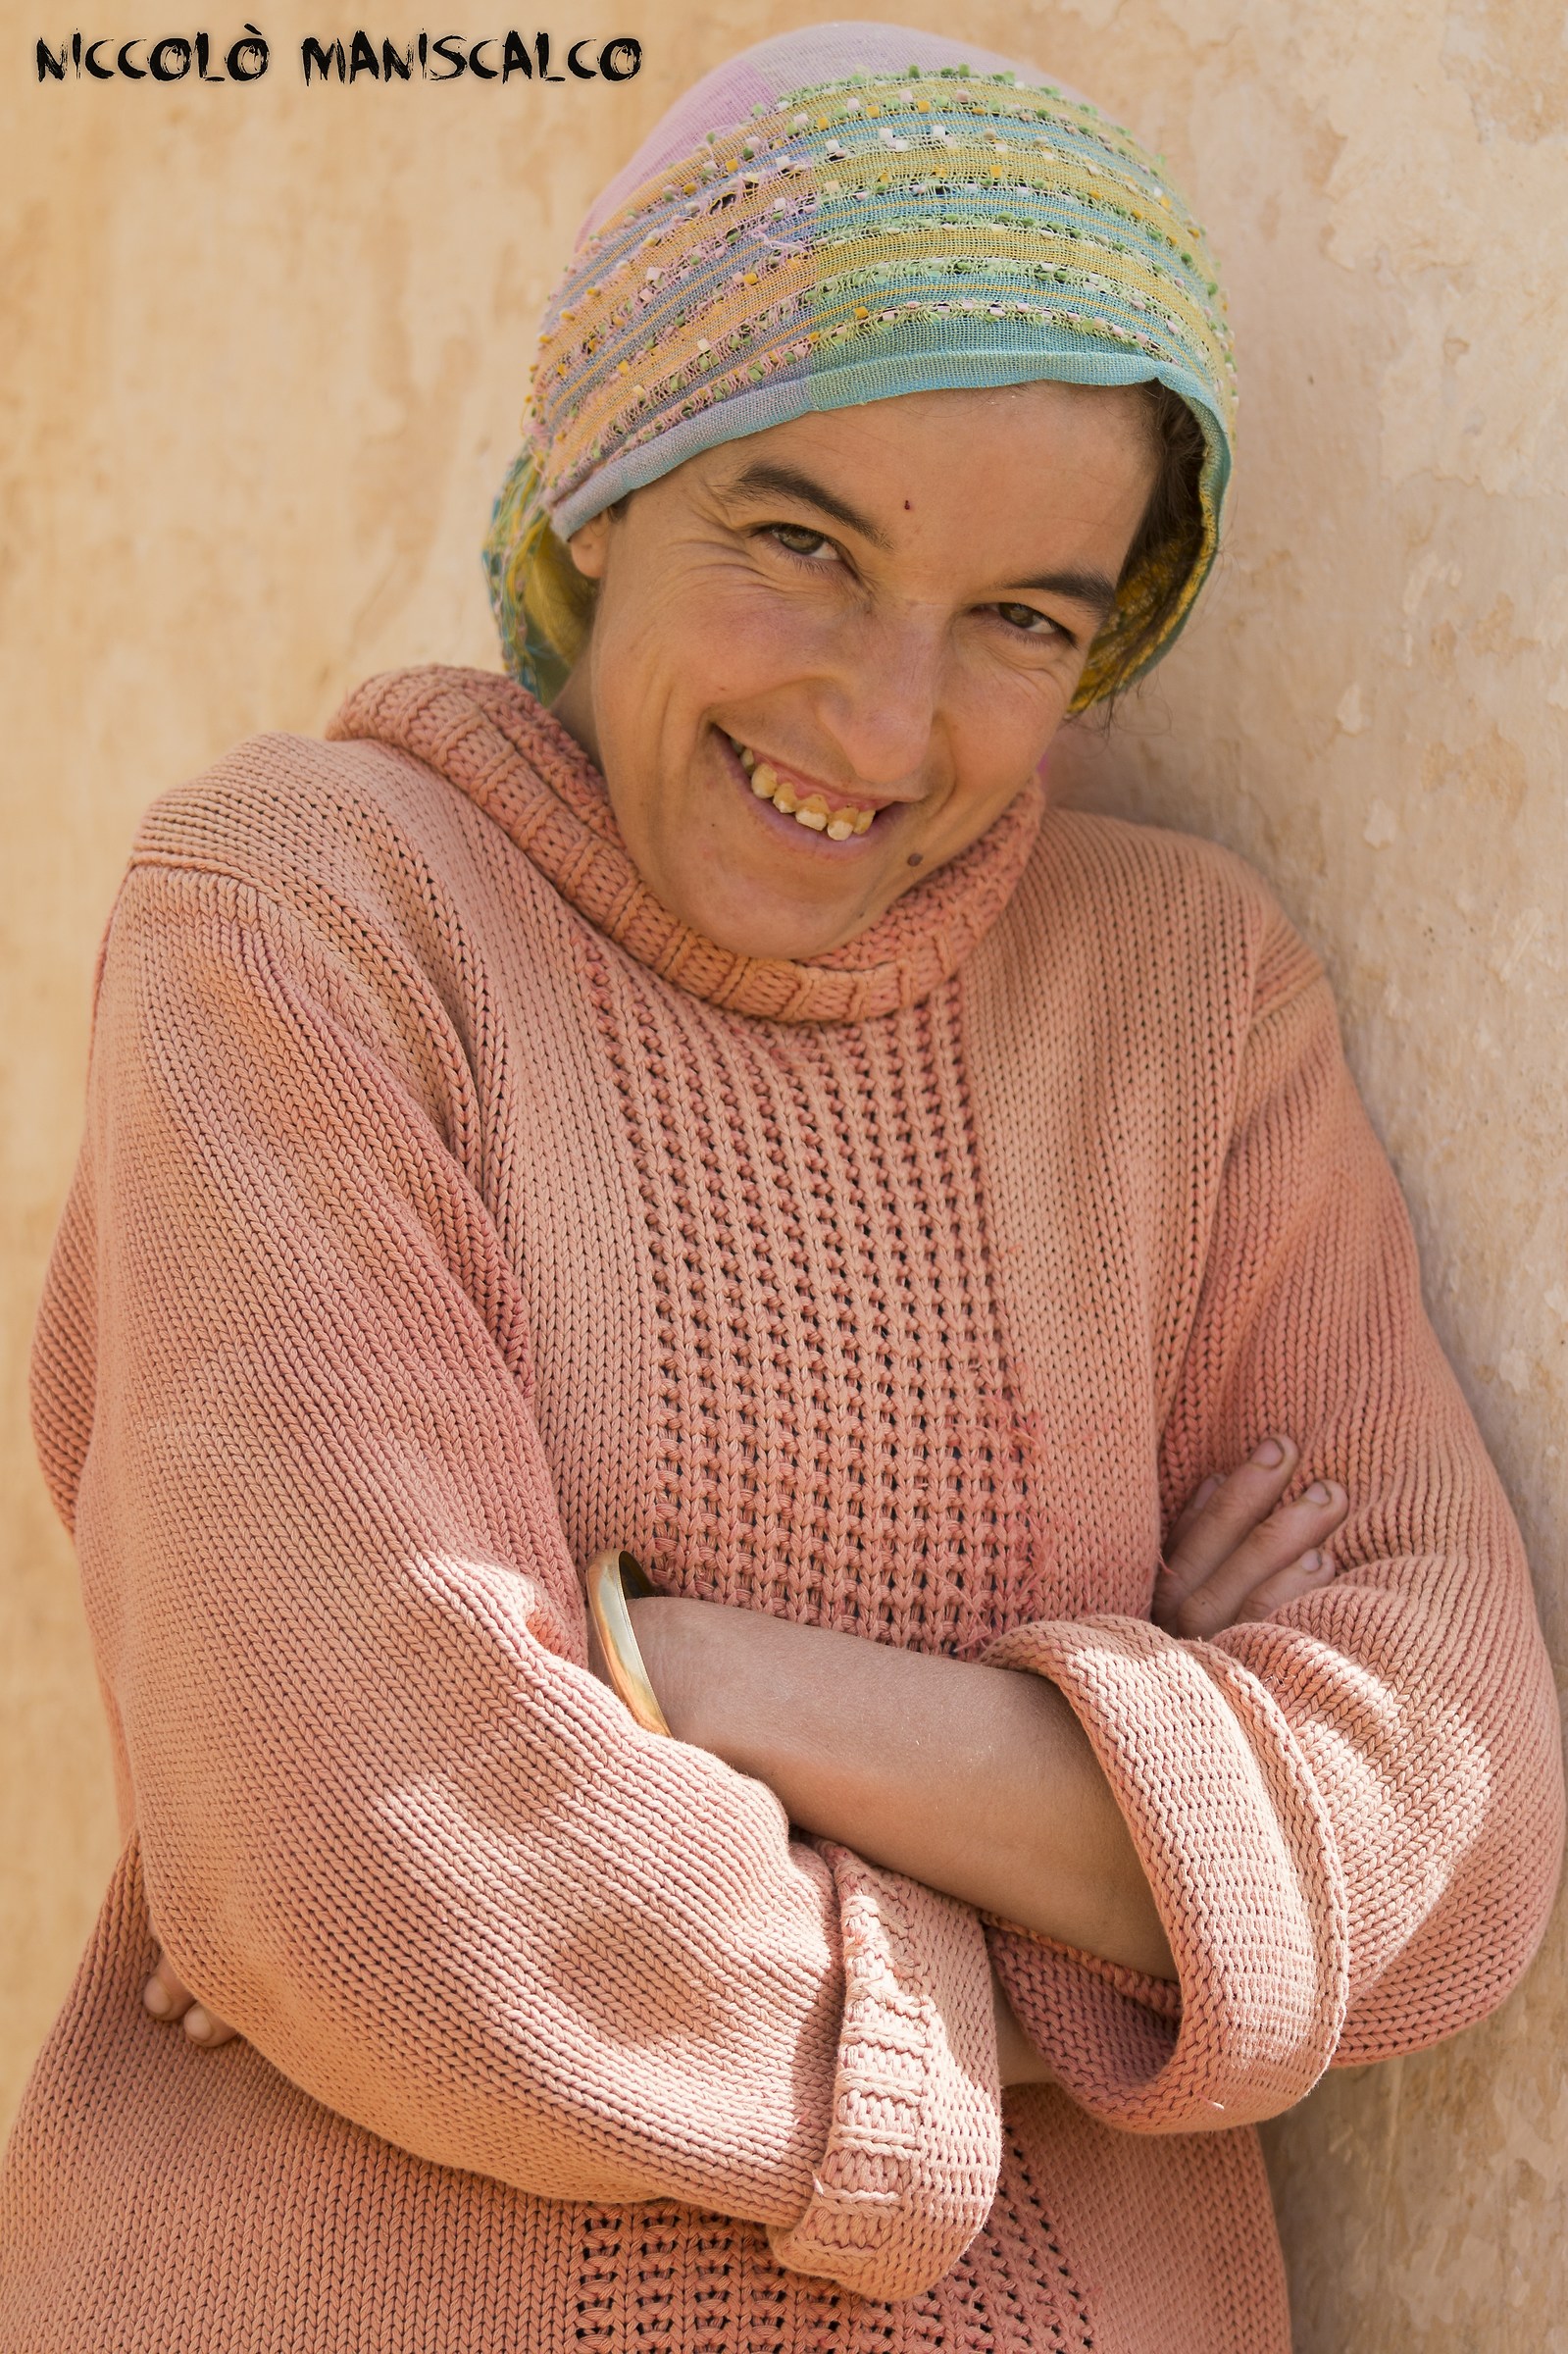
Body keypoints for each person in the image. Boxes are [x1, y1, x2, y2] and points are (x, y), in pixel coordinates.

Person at [1, 22, 1559, 2353]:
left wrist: (695, 1680)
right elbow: (389, 1870)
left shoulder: (1187, 1001)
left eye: (1022, 618)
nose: (880, 722)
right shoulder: (312, 911)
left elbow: (1452, 1835)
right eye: (802, 542)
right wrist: (1137, 1920)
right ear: (596, 483)